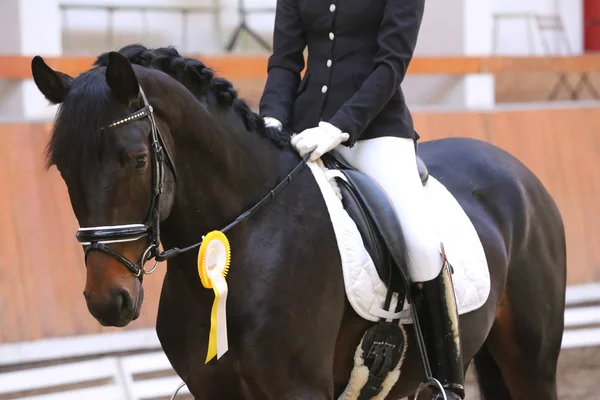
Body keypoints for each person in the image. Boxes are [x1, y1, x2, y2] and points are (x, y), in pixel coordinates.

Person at [258, 0, 465, 399]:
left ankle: (446, 382)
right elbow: (284, 62)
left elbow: (392, 63)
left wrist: (340, 127)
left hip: (376, 130)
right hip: (303, 130)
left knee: (421, 246)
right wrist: (270, 121)